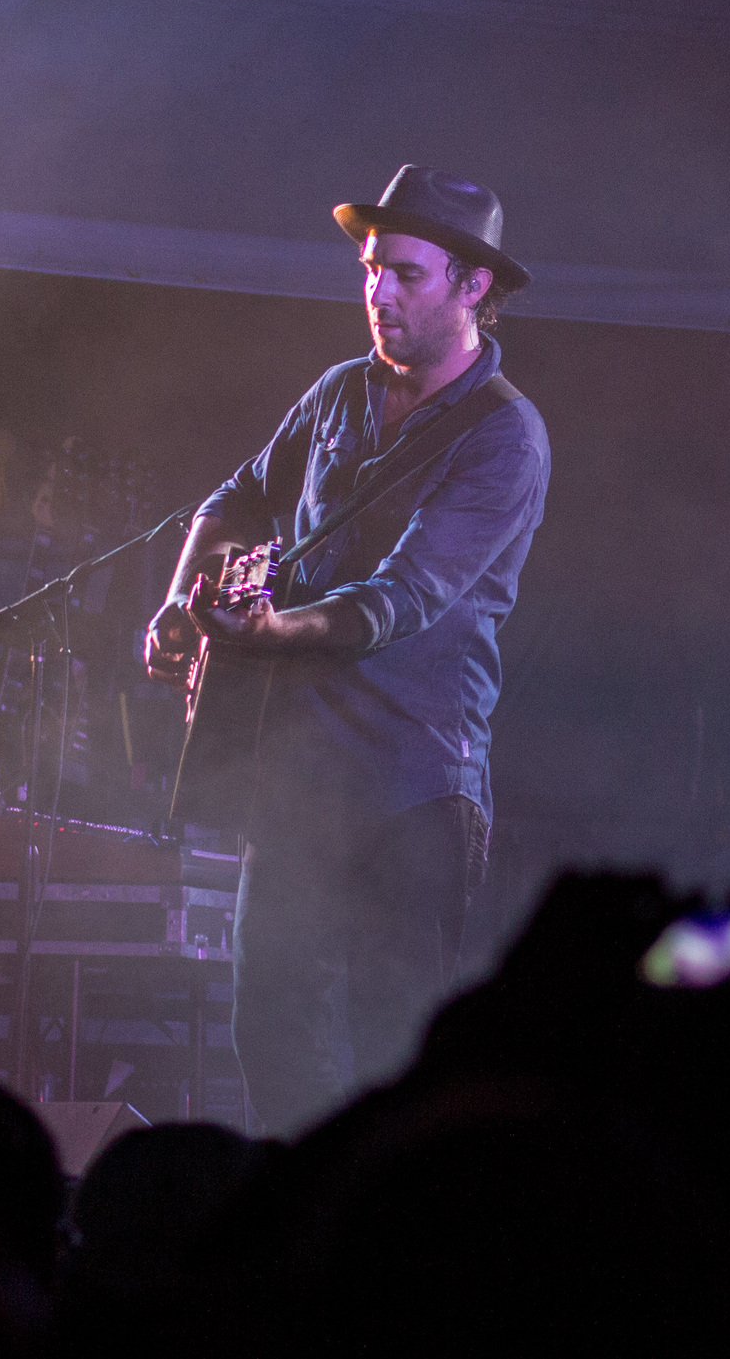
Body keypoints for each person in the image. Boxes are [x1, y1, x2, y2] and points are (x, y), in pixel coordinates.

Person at [145, 165, 552, 1136]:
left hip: (413, 791)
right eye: (370, 271)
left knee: (395, 1058)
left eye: (406, 275)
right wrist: (173, 605)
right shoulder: (339, 393)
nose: (378, 295)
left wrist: (273, 632)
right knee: (268, 1030)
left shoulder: (506, 437)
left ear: (473, 288)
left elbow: (401, 599)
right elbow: (233, 500)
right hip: (297, 781)